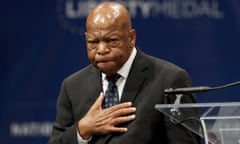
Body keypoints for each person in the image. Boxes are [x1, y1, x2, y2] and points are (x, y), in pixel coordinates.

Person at [48, 2, 200, 144]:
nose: (101, 50)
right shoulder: (72, 86)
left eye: (112, 40)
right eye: (93, 42)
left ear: (131, 38)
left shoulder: (169, 80)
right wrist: (82, 130)